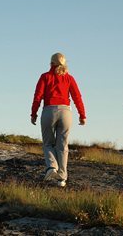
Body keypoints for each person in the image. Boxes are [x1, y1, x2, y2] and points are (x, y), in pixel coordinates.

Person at [31, 53, 86, 187]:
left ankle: (52, 167)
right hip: (66, 112)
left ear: (51, 63)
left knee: (48, 143)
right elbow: (77, 96)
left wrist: (34, 113)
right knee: (62, 146)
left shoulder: (45, 77)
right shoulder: (69, 78)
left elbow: (37, 96)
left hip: (49, 111)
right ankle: (62, 178)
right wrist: (82, 115)